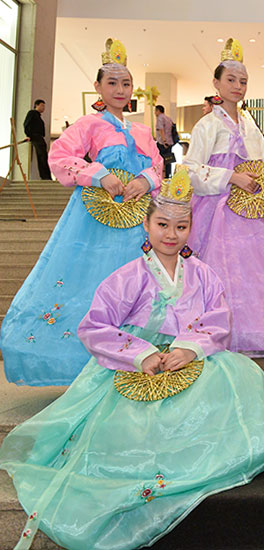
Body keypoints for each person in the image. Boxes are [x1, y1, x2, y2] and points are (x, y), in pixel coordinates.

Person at [0, 171, 264, 550]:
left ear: (190, 229)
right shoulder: (125, 277)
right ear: (146, 224)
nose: (171, 234)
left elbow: (217, 318)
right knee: (131, 422)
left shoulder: (203, 274)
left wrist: (189, 348)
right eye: (162, 224)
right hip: (138, 359)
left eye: (181, 226)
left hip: (189, 353)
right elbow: (94, 326)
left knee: (233, 378)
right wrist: (141, 353)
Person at [0, 38, 162, 386]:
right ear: (98, 87)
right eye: (112, 83)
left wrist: (145, 181)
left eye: (126, 83)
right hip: (94, 221)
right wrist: (98, 175)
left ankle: (140, 357)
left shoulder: (143, 130)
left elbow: (159, 166)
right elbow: (58, 156)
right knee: (90, 281)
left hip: (139, 220)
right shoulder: (89, 125)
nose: (120, 90)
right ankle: (86, 363)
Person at [183, 38, 264, 358]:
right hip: (217, 211)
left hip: (255, 211)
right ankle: (219, 332)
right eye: (231, 80)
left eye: (243, 81)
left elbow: (263, 164)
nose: (237, 86)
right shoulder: (207, 125)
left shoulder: (250, 124)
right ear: (216, 84)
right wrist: (230, 176)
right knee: (223, 270)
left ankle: (262, 332)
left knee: (263, 269)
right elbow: (191, 169)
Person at [23, 99, 51, 180]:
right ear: (36, 105)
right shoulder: (32, 113)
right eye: (42, 105)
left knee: (43, 156)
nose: (43, 108)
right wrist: (28, 135)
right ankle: (45, 176)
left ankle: (46, 176)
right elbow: (26, 124)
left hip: (39, 137)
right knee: (42, 156)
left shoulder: (38, 115)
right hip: (35, 136)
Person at [155, 104, 175, 178]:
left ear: (158, 111)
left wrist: (164, 141)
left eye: (155, 111)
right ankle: (168, 175)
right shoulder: (168, 118)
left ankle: (160, 176)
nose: (155, 113)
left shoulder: (160, 118)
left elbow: (161, 129)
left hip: (162, 143)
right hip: (170, 142)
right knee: (168, 160)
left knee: (159, 160)